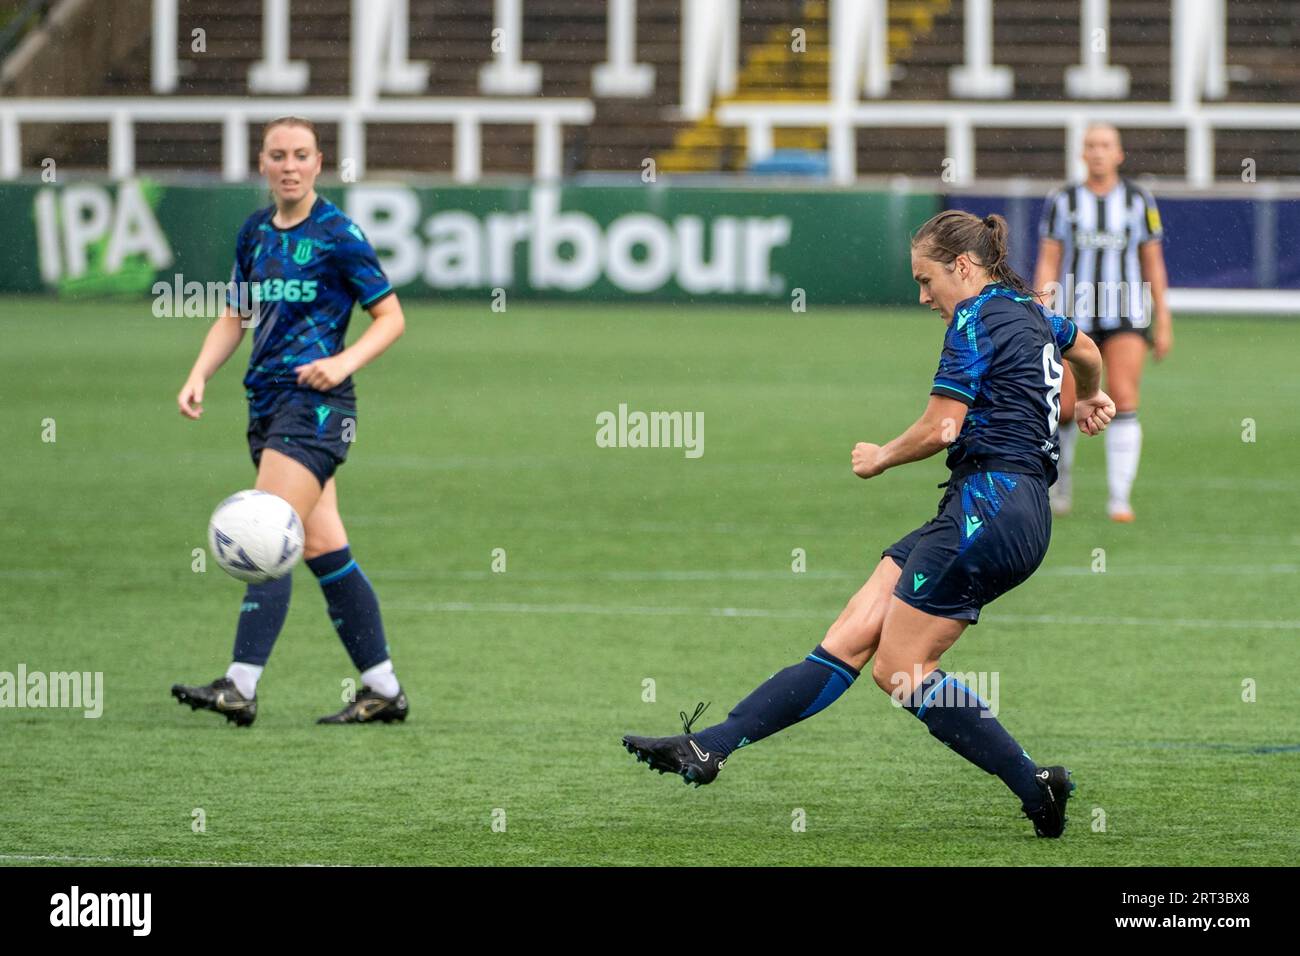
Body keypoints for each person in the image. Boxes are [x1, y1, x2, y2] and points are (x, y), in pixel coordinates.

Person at [622, 210, 1116, 838]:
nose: (923, 296)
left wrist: (881, 455)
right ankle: (711, 746)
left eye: (926, 279)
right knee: (852, 634)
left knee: (898, 668)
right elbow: (1088, 351)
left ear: (962, 267)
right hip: (1001, 508)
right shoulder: (1032, 311)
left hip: (989, 505)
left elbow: (944, 427)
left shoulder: (973, 316)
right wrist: (1094, 394)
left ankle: (1033, 783)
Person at [171, 116, 409, 726]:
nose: (289, 165)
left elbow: (390, 317)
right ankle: (382, 688)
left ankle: (240, 685)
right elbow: (235, 316)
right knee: (325, 547)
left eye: (301, 154)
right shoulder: (254, 232)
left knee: (264, 530)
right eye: (278, 155)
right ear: (263, 163)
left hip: (318, 408)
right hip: (266, 404)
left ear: (318, 162)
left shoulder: (339, 233)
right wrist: (200, 373)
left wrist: (341, 362)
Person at [1033, 122, 1173, 520]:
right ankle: (1059, 486)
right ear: (1082, 153)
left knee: (1124, 398)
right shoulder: (1063, 200)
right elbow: (1049, 256)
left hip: (1125, 312)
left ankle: (1119, 497)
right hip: (1074, 314)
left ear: (1119, 153)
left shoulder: (1137, 199)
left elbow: (1153, 263)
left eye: (1105, 145)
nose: (1097, 152)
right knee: (1063, 406)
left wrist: (1163, 319)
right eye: (1091, 145)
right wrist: (1042, 306)